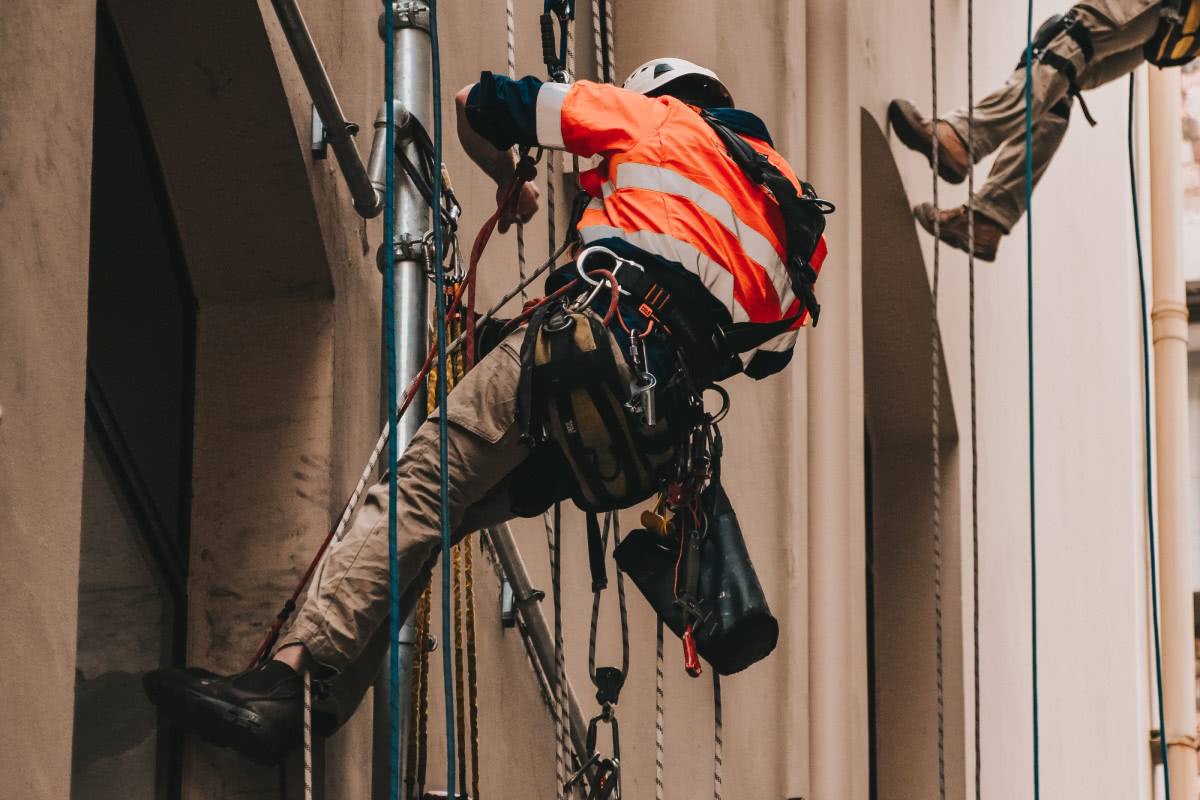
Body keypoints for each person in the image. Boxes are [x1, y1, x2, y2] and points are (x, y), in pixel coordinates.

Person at [143, 57, 829, 764]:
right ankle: (312, 707)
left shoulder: (653, 119)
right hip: (639, 436)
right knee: (439, 520)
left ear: (658, 94)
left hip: (580, 357)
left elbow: (481, 102)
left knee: (419, 491)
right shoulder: (795, 223)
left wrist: (510, 180)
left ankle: (284, 680)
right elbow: (765, 345)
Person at [889, 0, 1163, 261]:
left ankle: (962, 138)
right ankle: (989, 217)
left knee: (1072, 39)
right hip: (1172, 28)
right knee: (1065, 75)